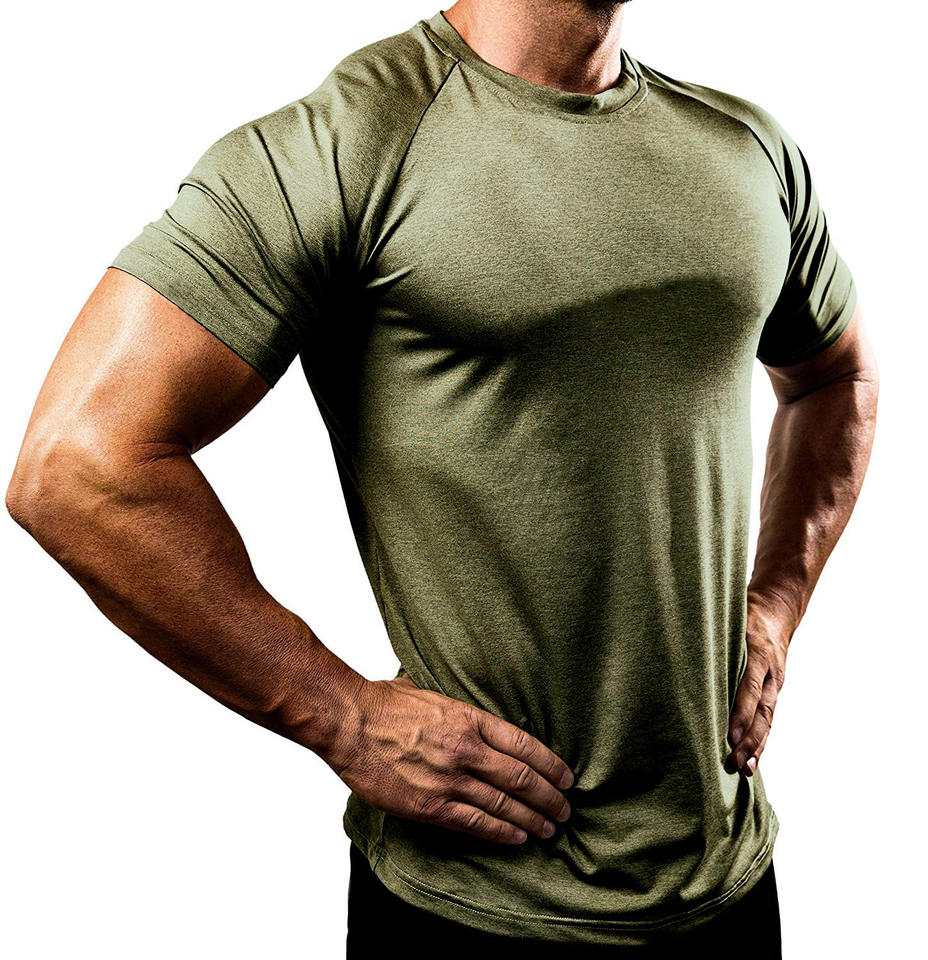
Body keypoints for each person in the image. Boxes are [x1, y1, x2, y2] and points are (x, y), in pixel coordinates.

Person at [5, 1, 878, 956]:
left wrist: (776, 605)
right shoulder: (348, 142)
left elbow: (836, 379)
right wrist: (340, 715)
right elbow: (76, 466)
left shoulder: (745, 145)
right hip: (470, 902)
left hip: (729, 877)